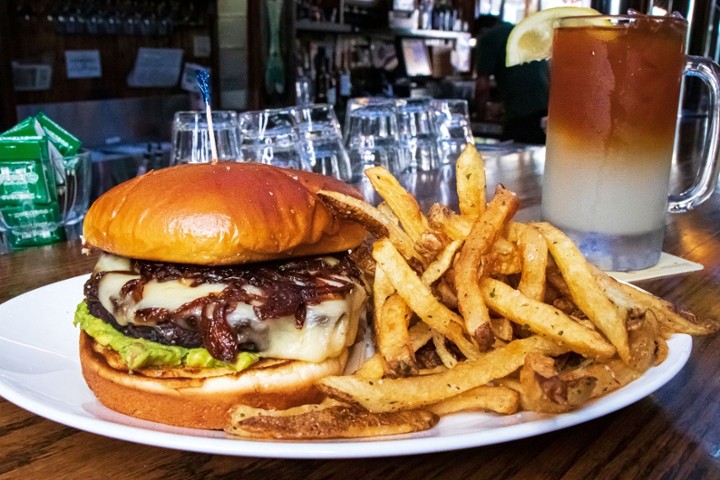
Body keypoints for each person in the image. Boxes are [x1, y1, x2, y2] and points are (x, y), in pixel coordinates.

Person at [474, 18, 549, 144]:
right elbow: (529, 78)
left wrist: (480, 115)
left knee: (507, 157)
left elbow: (482, 87)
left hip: (521, 119)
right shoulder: (522, 32)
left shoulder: (487, 37)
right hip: (546, 112)